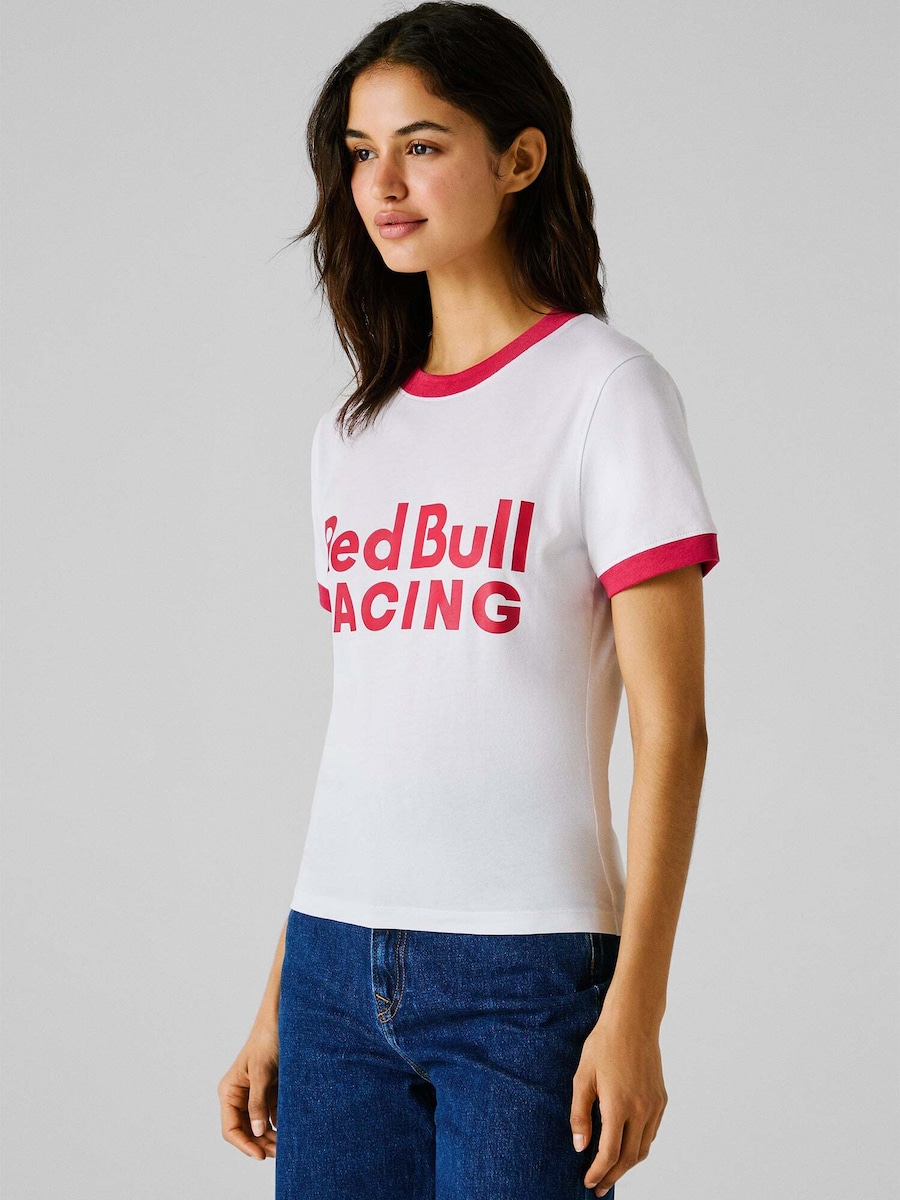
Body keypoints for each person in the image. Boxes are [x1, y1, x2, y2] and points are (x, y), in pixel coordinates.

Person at [217, 3, 721, 1197]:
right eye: (359, 152)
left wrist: (636, 1009)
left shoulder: (605, 392)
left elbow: (676, 731)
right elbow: (374, 727)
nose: (382, 184)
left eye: (423, 145)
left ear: (520, 158)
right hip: (332, 969)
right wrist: (280, 994)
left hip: (526, 973)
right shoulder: (353, 433)